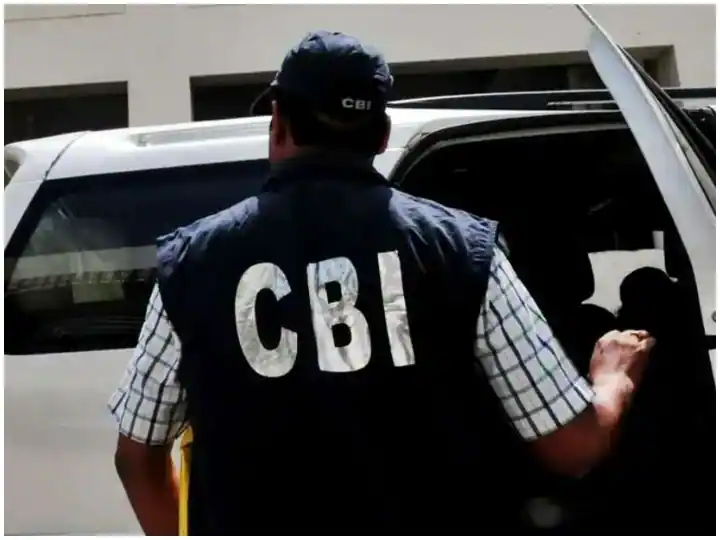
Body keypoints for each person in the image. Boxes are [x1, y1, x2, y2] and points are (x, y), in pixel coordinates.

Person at [108, 30, 654, 536]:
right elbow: (574, 446)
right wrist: (613, 377)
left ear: (279, 124)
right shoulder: (464, 251)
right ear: (383, 134)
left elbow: (137, 456)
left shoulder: (191, 263)